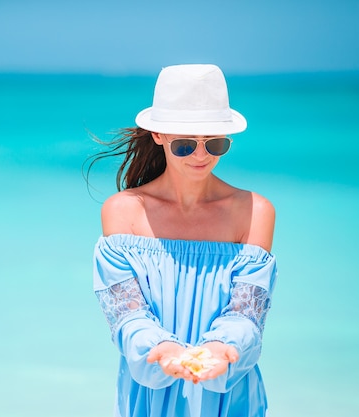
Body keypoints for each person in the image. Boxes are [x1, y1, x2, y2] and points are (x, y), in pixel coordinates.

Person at [91, 64, 278, 417]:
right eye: (185, 145)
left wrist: (222, 350)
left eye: (216, 143)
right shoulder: (124, 211)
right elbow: (127, 316)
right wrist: (161, 350)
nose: (202, 155)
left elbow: (246, 314)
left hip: (230, 391)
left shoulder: (254, 210)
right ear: (158, 135)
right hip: (147, 394)